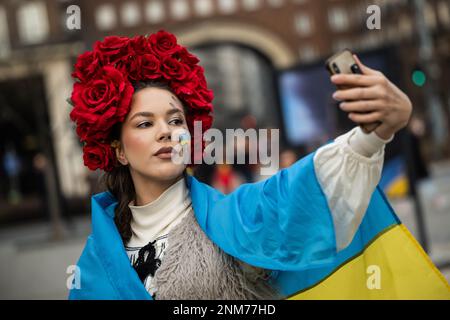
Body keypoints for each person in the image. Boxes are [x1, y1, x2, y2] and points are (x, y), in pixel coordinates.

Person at [68, 31, 415, 300]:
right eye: (145, 124)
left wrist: (376, 132)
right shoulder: (94, 264)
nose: (166, 132)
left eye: (175, 121)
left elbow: (303, 190)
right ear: (119, 151)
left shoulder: (236, 218)